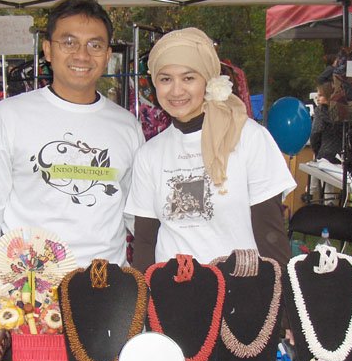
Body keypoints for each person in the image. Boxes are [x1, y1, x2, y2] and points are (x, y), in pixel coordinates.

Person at [0, 0, 144, 305]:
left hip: (106, 290)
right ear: (48, 50)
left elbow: (136, 213)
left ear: (107, 56)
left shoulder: (127, 125)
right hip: (28, 294)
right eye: (69, 42)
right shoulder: (10, 116)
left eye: (95, 45)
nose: (82, 55)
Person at [125, 27, 296, 271]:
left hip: (241, 295)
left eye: (188, 78)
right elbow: (144, 242)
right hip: (172, 298)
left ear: (207, 80)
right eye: (165, 79)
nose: (176, 90)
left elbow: (270, 233)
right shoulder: (149, 154)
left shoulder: (249, 138)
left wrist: (282, 300)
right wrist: (143, 303)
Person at [309, 81, 342, 204]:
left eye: (321, 95)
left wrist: (317, 151)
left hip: (325, 154)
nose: (317, 98)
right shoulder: (342, 111)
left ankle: (312, 197)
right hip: (341, 156)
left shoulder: (320, 111)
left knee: (325, 189)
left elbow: (315, 133)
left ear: (328, 96)